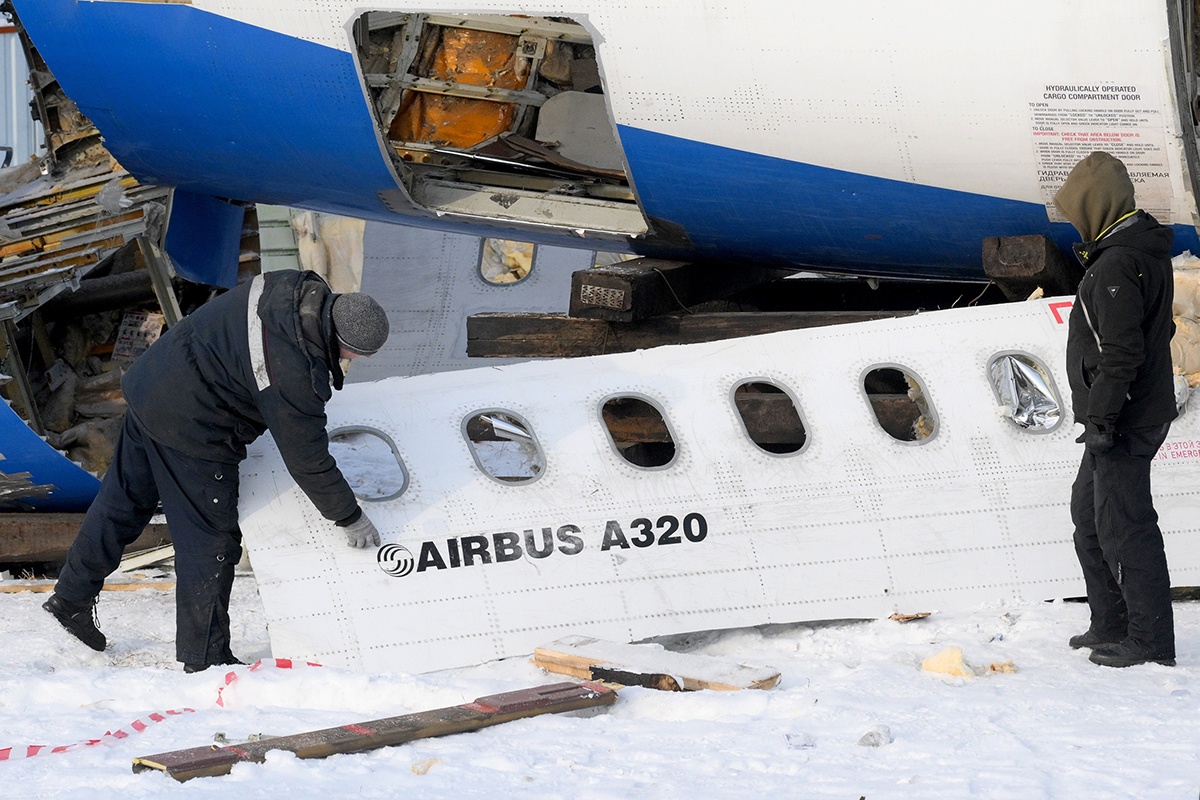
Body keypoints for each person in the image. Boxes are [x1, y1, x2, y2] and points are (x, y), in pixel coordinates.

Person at [42, 269, 390, 672]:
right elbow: (307, 458)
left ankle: (71, 598)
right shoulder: (293, 368)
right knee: (211, 541)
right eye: (357, 354)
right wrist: (348, 516)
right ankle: (205, 658)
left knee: (123, 503)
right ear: (341, 340)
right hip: (191, 424)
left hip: (152, 382)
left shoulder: (291, 287)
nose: (358, 361)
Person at [1054, 151, 1178, 668]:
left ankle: (1150, 640)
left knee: (1126, 525)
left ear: (1094, 205)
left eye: (1075, 210)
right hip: (1119, 413)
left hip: (1123, 418)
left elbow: (1122, 350)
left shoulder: (1117, 263)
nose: (1071, 220)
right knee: (1088, 516)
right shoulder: (1137, 252)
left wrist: (1103, 418)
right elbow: (1160, 328)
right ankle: (1111, 621)